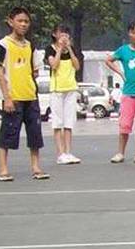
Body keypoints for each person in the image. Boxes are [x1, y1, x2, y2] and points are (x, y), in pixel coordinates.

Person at [0, 7, 49, 181]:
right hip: (13, 97)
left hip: (30, 97)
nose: (23, 24)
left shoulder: (30, 45)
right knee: (7, 134)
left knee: (35, 133)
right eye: (20, 20)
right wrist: (7, 97)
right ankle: (3, 169)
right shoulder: (3, 45)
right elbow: (0, 73)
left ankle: (36, 167)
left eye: (26, 21)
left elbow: (35, 71)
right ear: (11, 22)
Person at [106, 21, 135, 163]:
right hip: (127, 92)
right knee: (124, 124)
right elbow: (109, 60)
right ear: (129, 33)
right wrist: (120, 73)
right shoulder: (123, 50)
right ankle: (120, 152)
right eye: (132, 32)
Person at [45, 24, 81, 165]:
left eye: (66, 34)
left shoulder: (72, 49)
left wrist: (70, 49)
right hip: (57, 90)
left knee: (69, 122)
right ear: (55, 34)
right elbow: (54, 65)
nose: (64, 36)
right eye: (61, 33)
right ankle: (60, 153)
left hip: (70, 89)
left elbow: (77, 66)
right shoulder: (50, 49)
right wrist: (59, 49)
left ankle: (68, 152)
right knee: (57, 122)